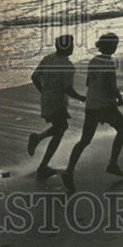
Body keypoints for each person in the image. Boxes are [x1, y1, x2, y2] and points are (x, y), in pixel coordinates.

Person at [62, 33, 123, 189]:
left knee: (85, 140)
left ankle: (69, 170)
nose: (116, 47)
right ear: (110, 46)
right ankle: (112, 163)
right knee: (122, 129)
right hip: (105, 105)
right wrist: (119, 98)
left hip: (91, 105)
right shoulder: (109, 63)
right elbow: (109, 86)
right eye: (115, 44)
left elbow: (88, 82)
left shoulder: (93, 61)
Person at [27, 34, 85, 178]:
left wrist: (43, 91)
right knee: (60, 130)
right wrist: (82, 98)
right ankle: (42, 160)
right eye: (71, 44)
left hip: (46, 99)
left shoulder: (48, 59)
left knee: (61, 128)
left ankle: (41, 156)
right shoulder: (67, 66)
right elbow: (68, 89)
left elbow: (34, 77)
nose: (72, 47)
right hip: (58, 102)